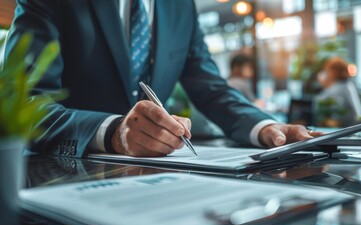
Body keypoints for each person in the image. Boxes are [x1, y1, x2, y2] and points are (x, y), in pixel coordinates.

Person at [5, 0, 320, 158]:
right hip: (61, 187)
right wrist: (114, 131)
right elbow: (22, 103)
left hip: (159, 186)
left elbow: (210, 88)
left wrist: (265, 127)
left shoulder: (181, 7)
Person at [314, 57, 361, 127]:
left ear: (333, 71)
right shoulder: (348, 85)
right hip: (355, 127)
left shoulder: (338, 88)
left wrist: (324, 85)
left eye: (327, 70)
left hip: (345, 130)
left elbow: (317, 105)